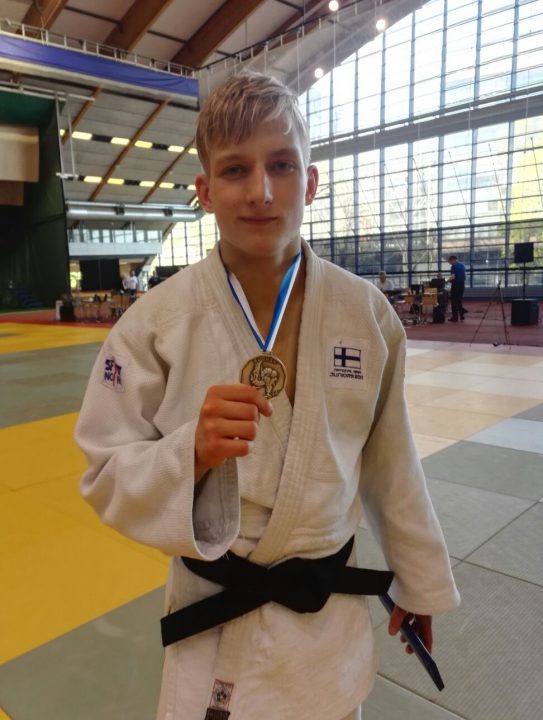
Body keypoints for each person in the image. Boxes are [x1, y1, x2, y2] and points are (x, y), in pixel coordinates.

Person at [75, 72, 459, 720]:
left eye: (281, 165)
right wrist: (189, 455)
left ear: (309, 181)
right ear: (204, 191)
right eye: (235, 170)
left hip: (324, 625)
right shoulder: (154, 323)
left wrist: (416, 581)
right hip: (218, 627)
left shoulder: (365, 314)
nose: (260, 191)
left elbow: (391, 462)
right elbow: (103, 469)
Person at [447, 255, 467, 322]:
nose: (449, 263)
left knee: (454, 301)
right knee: (459, 300)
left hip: (456, 285)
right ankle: (461, 315)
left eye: (449, 261)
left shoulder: (454, 266)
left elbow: (453, 277)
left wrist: (447, 281)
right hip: (462, 285)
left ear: (452, 260)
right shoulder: (462, 265)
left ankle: (455, 317)